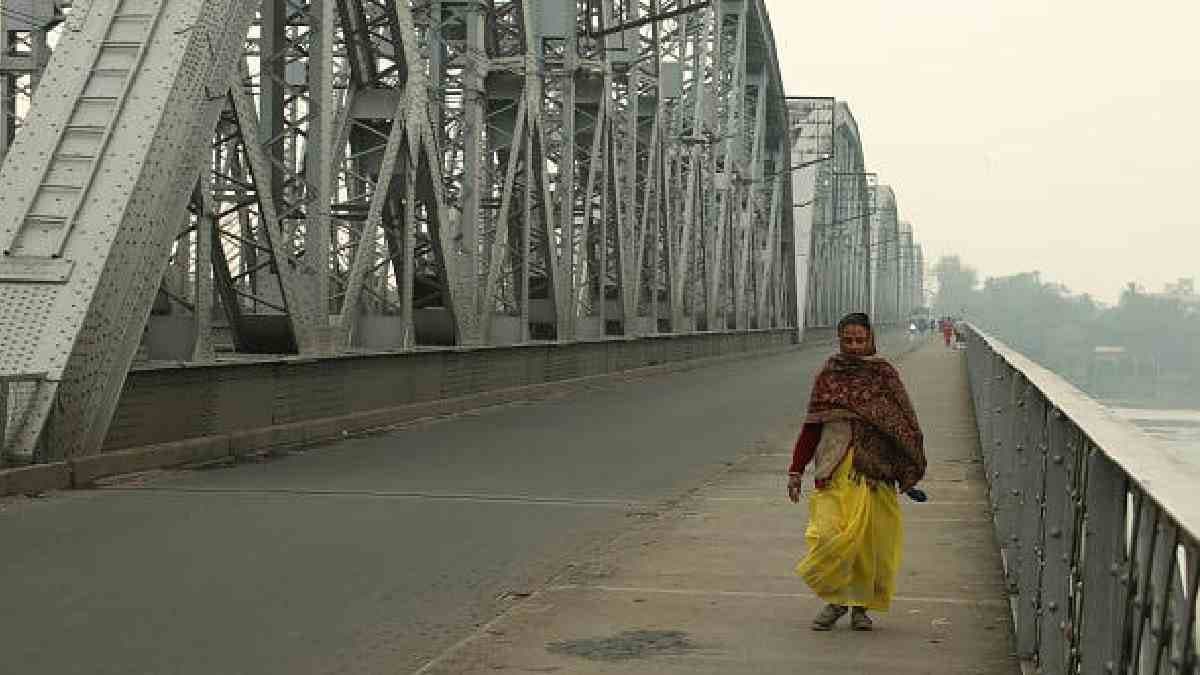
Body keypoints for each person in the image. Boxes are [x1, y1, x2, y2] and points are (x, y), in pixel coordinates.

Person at [786, 313, 926, 631]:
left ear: (870, 339)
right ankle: (836, 600)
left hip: (874, 475)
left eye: (859, 340)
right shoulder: (829, 374)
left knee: (868, 545)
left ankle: (859, 608)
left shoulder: (883, 374)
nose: (853, 346)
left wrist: (907, 470)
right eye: (847, 340)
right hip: (833, 471)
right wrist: (796, 470)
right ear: (840, 339)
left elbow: (902, 424)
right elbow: (811, 427)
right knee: (827, 536)